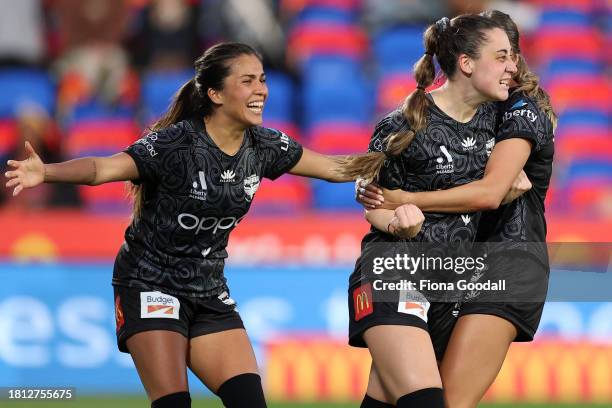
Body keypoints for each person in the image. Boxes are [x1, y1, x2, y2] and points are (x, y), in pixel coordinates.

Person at [5, 42, 355, 408]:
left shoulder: (266, 146)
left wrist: (395, 159)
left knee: (250, 401)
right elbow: (103, 168)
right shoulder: (176, 144)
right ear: (216, 93)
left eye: (263, 80)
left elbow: (335, 168)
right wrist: (46, 172)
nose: (261, 90)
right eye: (248, 81)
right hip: (149, 283)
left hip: (208, 292)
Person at [358, 10, 556, 408]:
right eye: (502, 57)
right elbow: (374, 203)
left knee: (413, 399)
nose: (512, 67)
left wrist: (492, 188)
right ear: (466, 63)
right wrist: (398, 220)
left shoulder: (511, 113)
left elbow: (489, 192)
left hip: (482, 272)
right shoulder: (404, 122)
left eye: (513, 56)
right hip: (402, 270)